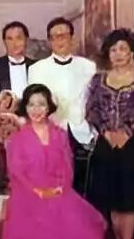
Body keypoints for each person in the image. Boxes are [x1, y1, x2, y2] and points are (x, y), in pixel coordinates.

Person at [2, 84, 118, 239]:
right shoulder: (18, 139)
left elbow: (68, 166)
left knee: (76, 222)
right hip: (28, 192)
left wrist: (59, 188)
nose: (36, 109)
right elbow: (16, 172)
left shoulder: (60, 134)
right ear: (25, 107)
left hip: (57, 189)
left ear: (49, 107)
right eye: (31, 104)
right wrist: (37, 191)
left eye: (41, 104)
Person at [85, 28, 134, 239]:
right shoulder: (98, 80)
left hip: (132, 146)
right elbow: (91, 110)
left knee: (129, 201)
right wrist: (105, 131)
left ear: (132, 52)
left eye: (123, 49)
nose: (118, 54)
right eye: (113, 50)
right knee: (111, 198)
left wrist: (127, 133)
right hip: (106, 145)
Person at [27, 17, 97, 195]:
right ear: (50, 41)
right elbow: (34, 104)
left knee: (82, 187)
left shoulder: (88, 66)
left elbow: (95, 100)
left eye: (63, 35)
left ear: (72, 38)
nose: (60, 40)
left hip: (82, 131)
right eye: (55, 37)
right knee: (54, 186)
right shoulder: (37, 69)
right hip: (50, 133)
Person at [0, 21, 35, 103]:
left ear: (26, 40)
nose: (14, 43)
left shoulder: (37, 66)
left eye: (19, 38)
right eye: (10, 39)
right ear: (4, 42)